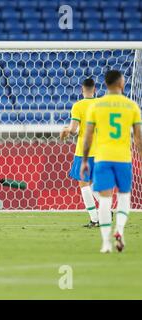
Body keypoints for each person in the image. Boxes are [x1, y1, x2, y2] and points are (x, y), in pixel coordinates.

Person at [81, 70, 142, 253]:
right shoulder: (131, 106)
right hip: (123, 159)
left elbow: (88, 136)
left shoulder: (96, 106)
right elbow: (138, 139)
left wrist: (84, 160)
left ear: (105, 85)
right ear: (121, 84)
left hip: (102, 159)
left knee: (105, 201)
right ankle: (120, 230)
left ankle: (106, 242)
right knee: (124, 197)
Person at [61, 78, 100, 227]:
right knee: (92, 184)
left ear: (82, 90)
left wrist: (66, 131)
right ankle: (105, 209)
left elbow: (72, 130)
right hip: (100, 151)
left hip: (84, 151)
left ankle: (95, 219)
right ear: (94, 89)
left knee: (84, 184)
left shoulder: (78, 106)